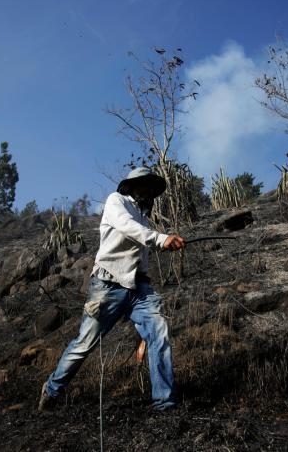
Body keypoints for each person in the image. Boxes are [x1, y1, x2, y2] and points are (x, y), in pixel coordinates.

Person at [38, 167, 185, 412]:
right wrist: (161, 239)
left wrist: (162, 246)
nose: (147, 191)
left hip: (139, 288)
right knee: (85, 343)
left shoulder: (144, 218)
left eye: (151, 187)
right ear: (131, 186)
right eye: (143, 185)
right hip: (107, 285)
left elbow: (141, 252)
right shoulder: (116, 202)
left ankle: (165, 402)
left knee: (158, 331)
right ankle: (52, 389)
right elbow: (128, 228)